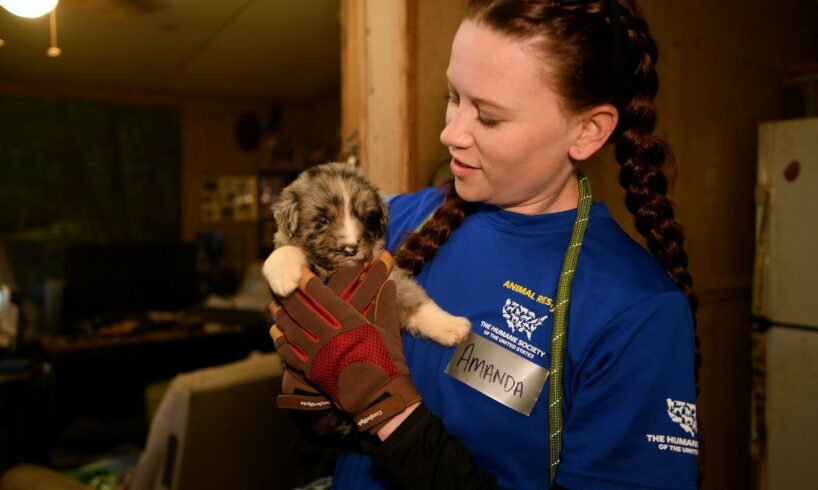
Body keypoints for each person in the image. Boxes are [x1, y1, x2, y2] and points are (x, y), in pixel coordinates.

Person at [271, 0, 700, 488]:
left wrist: (386, 413)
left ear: (587, 132)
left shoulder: (636, 312)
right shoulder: (399, 219)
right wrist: (318, 398)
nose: (450, 132)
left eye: (490, 118)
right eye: (454, 95)